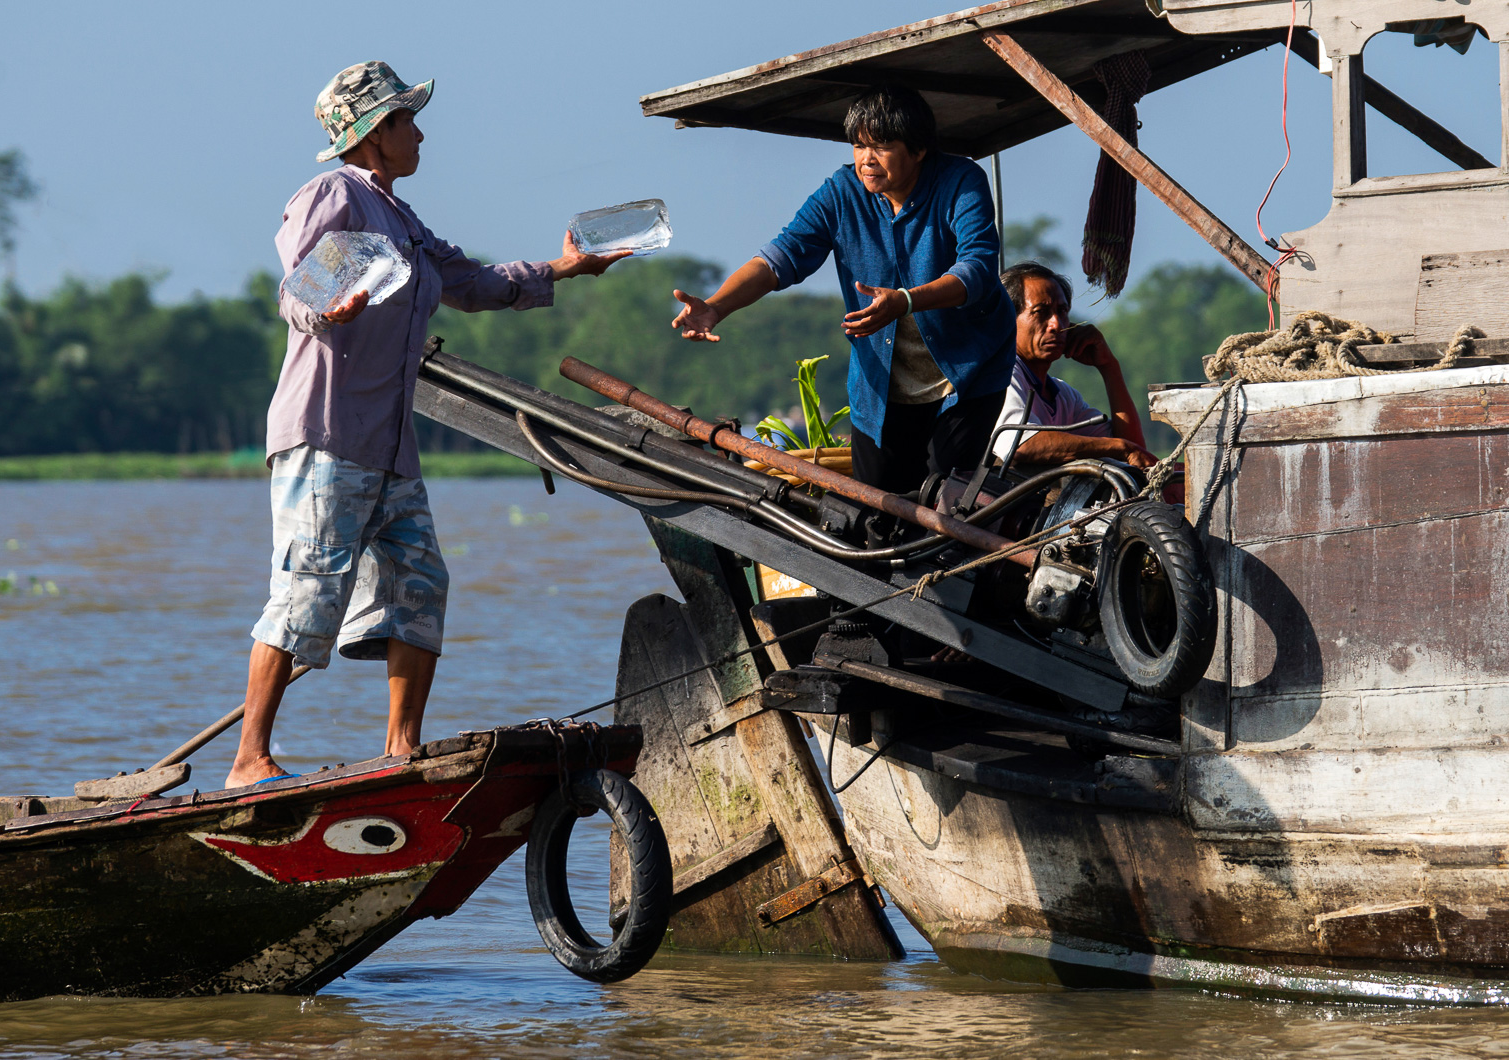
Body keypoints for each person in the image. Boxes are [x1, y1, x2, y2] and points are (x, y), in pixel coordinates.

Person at [225, 61, 626, 788]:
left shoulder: (401, 220)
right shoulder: (332, 194)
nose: (420, 134)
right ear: (375, 135)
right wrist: (328, 308)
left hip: (388, 444)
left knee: (418, 581)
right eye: (407, 121)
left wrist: (563, 270)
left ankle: (400, 748)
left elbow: (470, 282)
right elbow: (297, 286)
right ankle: (249, 757)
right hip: (326, 432)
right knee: (307, 587)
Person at [670, 85, 1015, 496]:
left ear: (919, 150)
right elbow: (780, 257)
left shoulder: (961, 182)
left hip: (966, 374)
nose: (866, 160)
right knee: (877, 507)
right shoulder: (840, 193)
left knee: (944, 497)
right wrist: (715, 307)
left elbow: (977, 268)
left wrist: (905, 301)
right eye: (858, 146)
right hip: (882, 384)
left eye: (881, 147)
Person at [990, 262, 1157, 470]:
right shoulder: (1001, 373)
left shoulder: (1064, 396)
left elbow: (1135, 451)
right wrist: (1121, 448)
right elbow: (1020, 444)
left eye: (1062, 312)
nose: (1057, 325)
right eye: (1041, 312)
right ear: (1006, 319)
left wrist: (1109, 367)